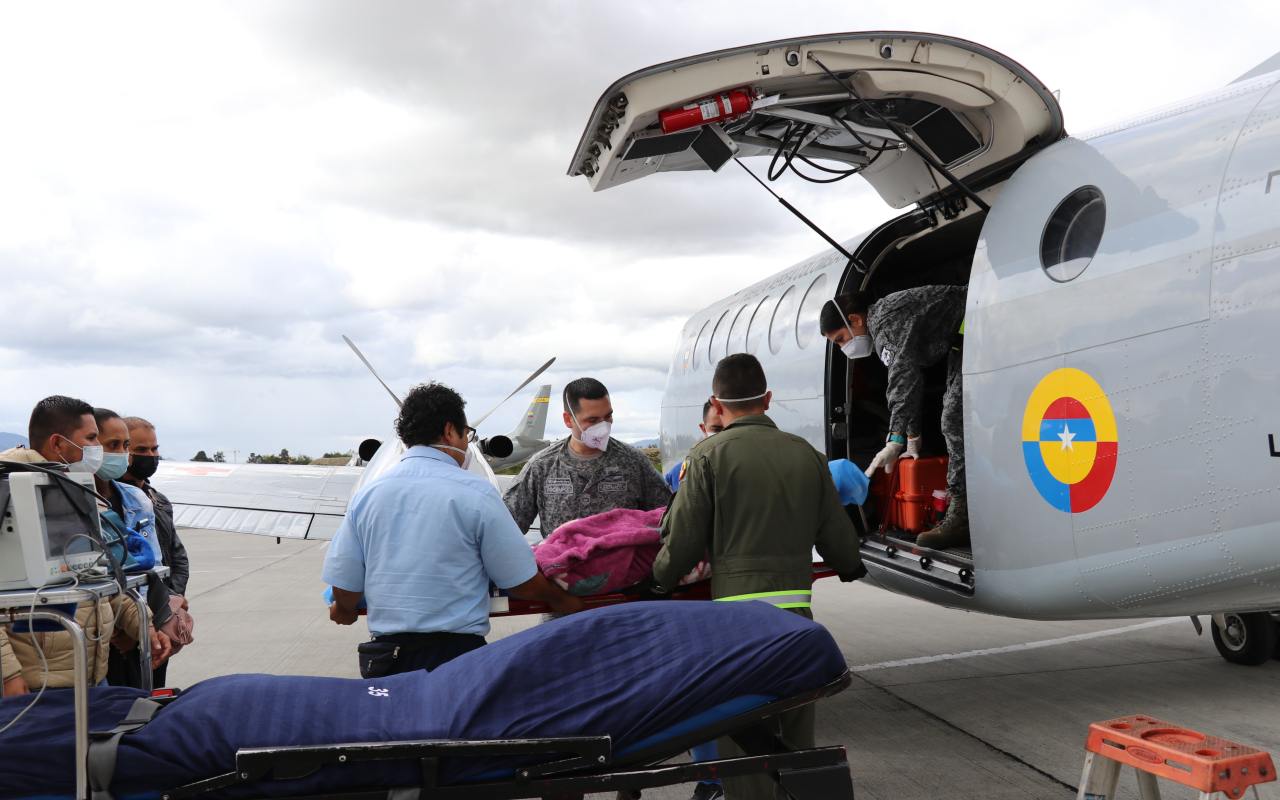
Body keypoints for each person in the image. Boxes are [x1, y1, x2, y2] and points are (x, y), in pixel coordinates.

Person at [647, 354, 865, 800]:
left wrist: (657, 581)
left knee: (742, 737)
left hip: (736, 624)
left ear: (716, 404)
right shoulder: (808, 456)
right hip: (796, 622)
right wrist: (849, 567)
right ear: (768, 399)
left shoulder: (706, 455)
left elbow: (684, 541)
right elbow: (837, 535)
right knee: (796, 731)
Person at [323, 382, 584, 676]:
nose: (465, 444)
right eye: (465, 434)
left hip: (388, 659)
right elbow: (518, 579)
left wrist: (344, 609)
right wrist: (561, 599)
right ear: (450, 431)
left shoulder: (367, 496)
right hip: (456, 658)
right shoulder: (477, 492)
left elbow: (345, 586)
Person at [0, 396, 157, 697]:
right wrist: (8, 673)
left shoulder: (73, 489)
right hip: (35, 687)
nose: (97, 448)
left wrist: (143, 623)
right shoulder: (7, 494)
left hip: (92, 677)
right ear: (58, 444)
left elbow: (96, 572)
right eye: (91, 438)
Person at [820, 287, 969, 548]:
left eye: (841, 339)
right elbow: (909, 376)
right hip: (966, 338)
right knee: (951, 413)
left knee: (953, 419)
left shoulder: (886, 321)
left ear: (855, 319)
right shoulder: (882, 324)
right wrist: (913, 436)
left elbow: (903, 378)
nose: (844, 347)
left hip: (982, 322)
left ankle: (962, 515)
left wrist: (895, 437)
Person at [504, 377, 673, 538]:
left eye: (608, 417)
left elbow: (668, 518)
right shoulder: (542, 466)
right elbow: (506, 529)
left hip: (620, 566)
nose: (603, 426)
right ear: (568, 420)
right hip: (563, 566)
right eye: (592, 420)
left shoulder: (634, 462)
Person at [93, 408, 173, 687]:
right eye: (112, 445)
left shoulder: (138, 499)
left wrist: (143, 621)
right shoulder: (69, 499)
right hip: (98, 631)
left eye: (125, 446)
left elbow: (157, 566)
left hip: (140, 621)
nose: (122, 454)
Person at [119, 415, 190, 688]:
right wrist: (131, 624)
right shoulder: (108, 502)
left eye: (154, 449)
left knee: (155, 691)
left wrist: (171, 603)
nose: (151, 456)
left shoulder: (158, 501)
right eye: (141, 450)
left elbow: (176, 558)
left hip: (159, 617)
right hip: (125, 625)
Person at [664, 399, 723, 492]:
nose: (724, 435)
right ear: (704, 429)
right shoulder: (680, 471)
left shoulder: (748, 468)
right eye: (716, 429)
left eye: (729, 429)